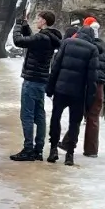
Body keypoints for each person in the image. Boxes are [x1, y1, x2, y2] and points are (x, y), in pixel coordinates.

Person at [44, 19, 101, 166]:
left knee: (55, 118)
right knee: (74, 123)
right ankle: (70, 154)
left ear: (79, 33)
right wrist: (89, 101)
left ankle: (53, 149)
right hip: (78, 93)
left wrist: (50, 87)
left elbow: (55, 66)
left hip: (60, 89)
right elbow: (92, 78)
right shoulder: (93, 49)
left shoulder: (67, 43)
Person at [9, 10, 62, 162]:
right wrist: (25, 26)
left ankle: (28, 149)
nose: (36, 20)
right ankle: (38, 150)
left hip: (31, 80)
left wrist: (18, 25)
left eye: (38, 18)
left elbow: (19, 41)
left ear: (44, 21)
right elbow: (31, 39)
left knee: (27, 115)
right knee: (39, 115)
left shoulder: (41, 38)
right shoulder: (49, 38)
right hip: (41, 80)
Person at [79, 18, 105, 157]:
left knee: (76, 114)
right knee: (93, 118)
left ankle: (68, 143)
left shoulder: (84, 48)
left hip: (85, 84)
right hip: (99, 87)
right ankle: (91, 150)